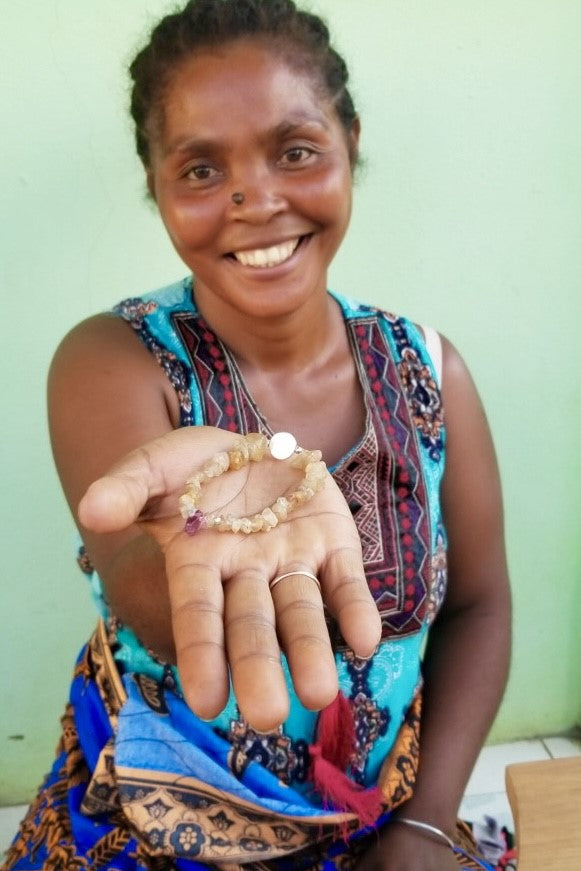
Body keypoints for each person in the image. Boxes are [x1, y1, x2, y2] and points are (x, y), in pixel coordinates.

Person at [3, 1, 511, 869]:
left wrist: (425, 823)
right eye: (200, 169)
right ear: (156, 183)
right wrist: (203, 527)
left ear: (349, 139)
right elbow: (157, 603)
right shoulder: (113, 362)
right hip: (158, 815)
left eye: (295, 149)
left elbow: (478, 606)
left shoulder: (429, 369)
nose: (255, 200)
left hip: (390, 808)